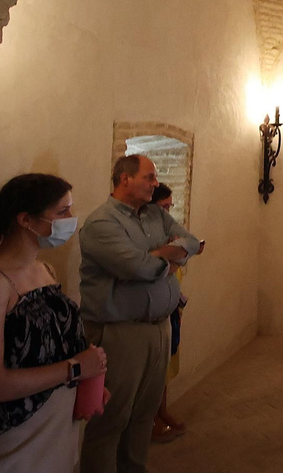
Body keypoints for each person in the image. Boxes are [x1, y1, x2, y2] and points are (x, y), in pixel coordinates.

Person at [0, 173, 109, 472]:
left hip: (57, 428)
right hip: (13, 438)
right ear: (26, 220)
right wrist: (75, 368)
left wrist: (87, 377)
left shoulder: (45, 270)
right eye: (62, 212)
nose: (71, 219)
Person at [79, 155, 201, 473]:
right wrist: (164, 260)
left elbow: (191, 242)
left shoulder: (154, 217)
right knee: (112, 419)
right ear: (125, 179)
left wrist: (159, 258)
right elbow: (138, 267)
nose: (155, 183)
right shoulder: (101, 223)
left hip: (159, 328)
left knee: (144, 414)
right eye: (149, 177)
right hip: (121, 332)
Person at [147, 184, 194, 443]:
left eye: (169, 207)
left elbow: (183, 252)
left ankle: (161, 411)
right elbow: (158, 268)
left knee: (167, 361)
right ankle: (150, 418)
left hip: (171, 305)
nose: (168, 212)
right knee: (154, 367)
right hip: (152, 308)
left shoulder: (167, 231)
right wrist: (180, 257)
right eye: (163, 207)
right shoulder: (146, 235)